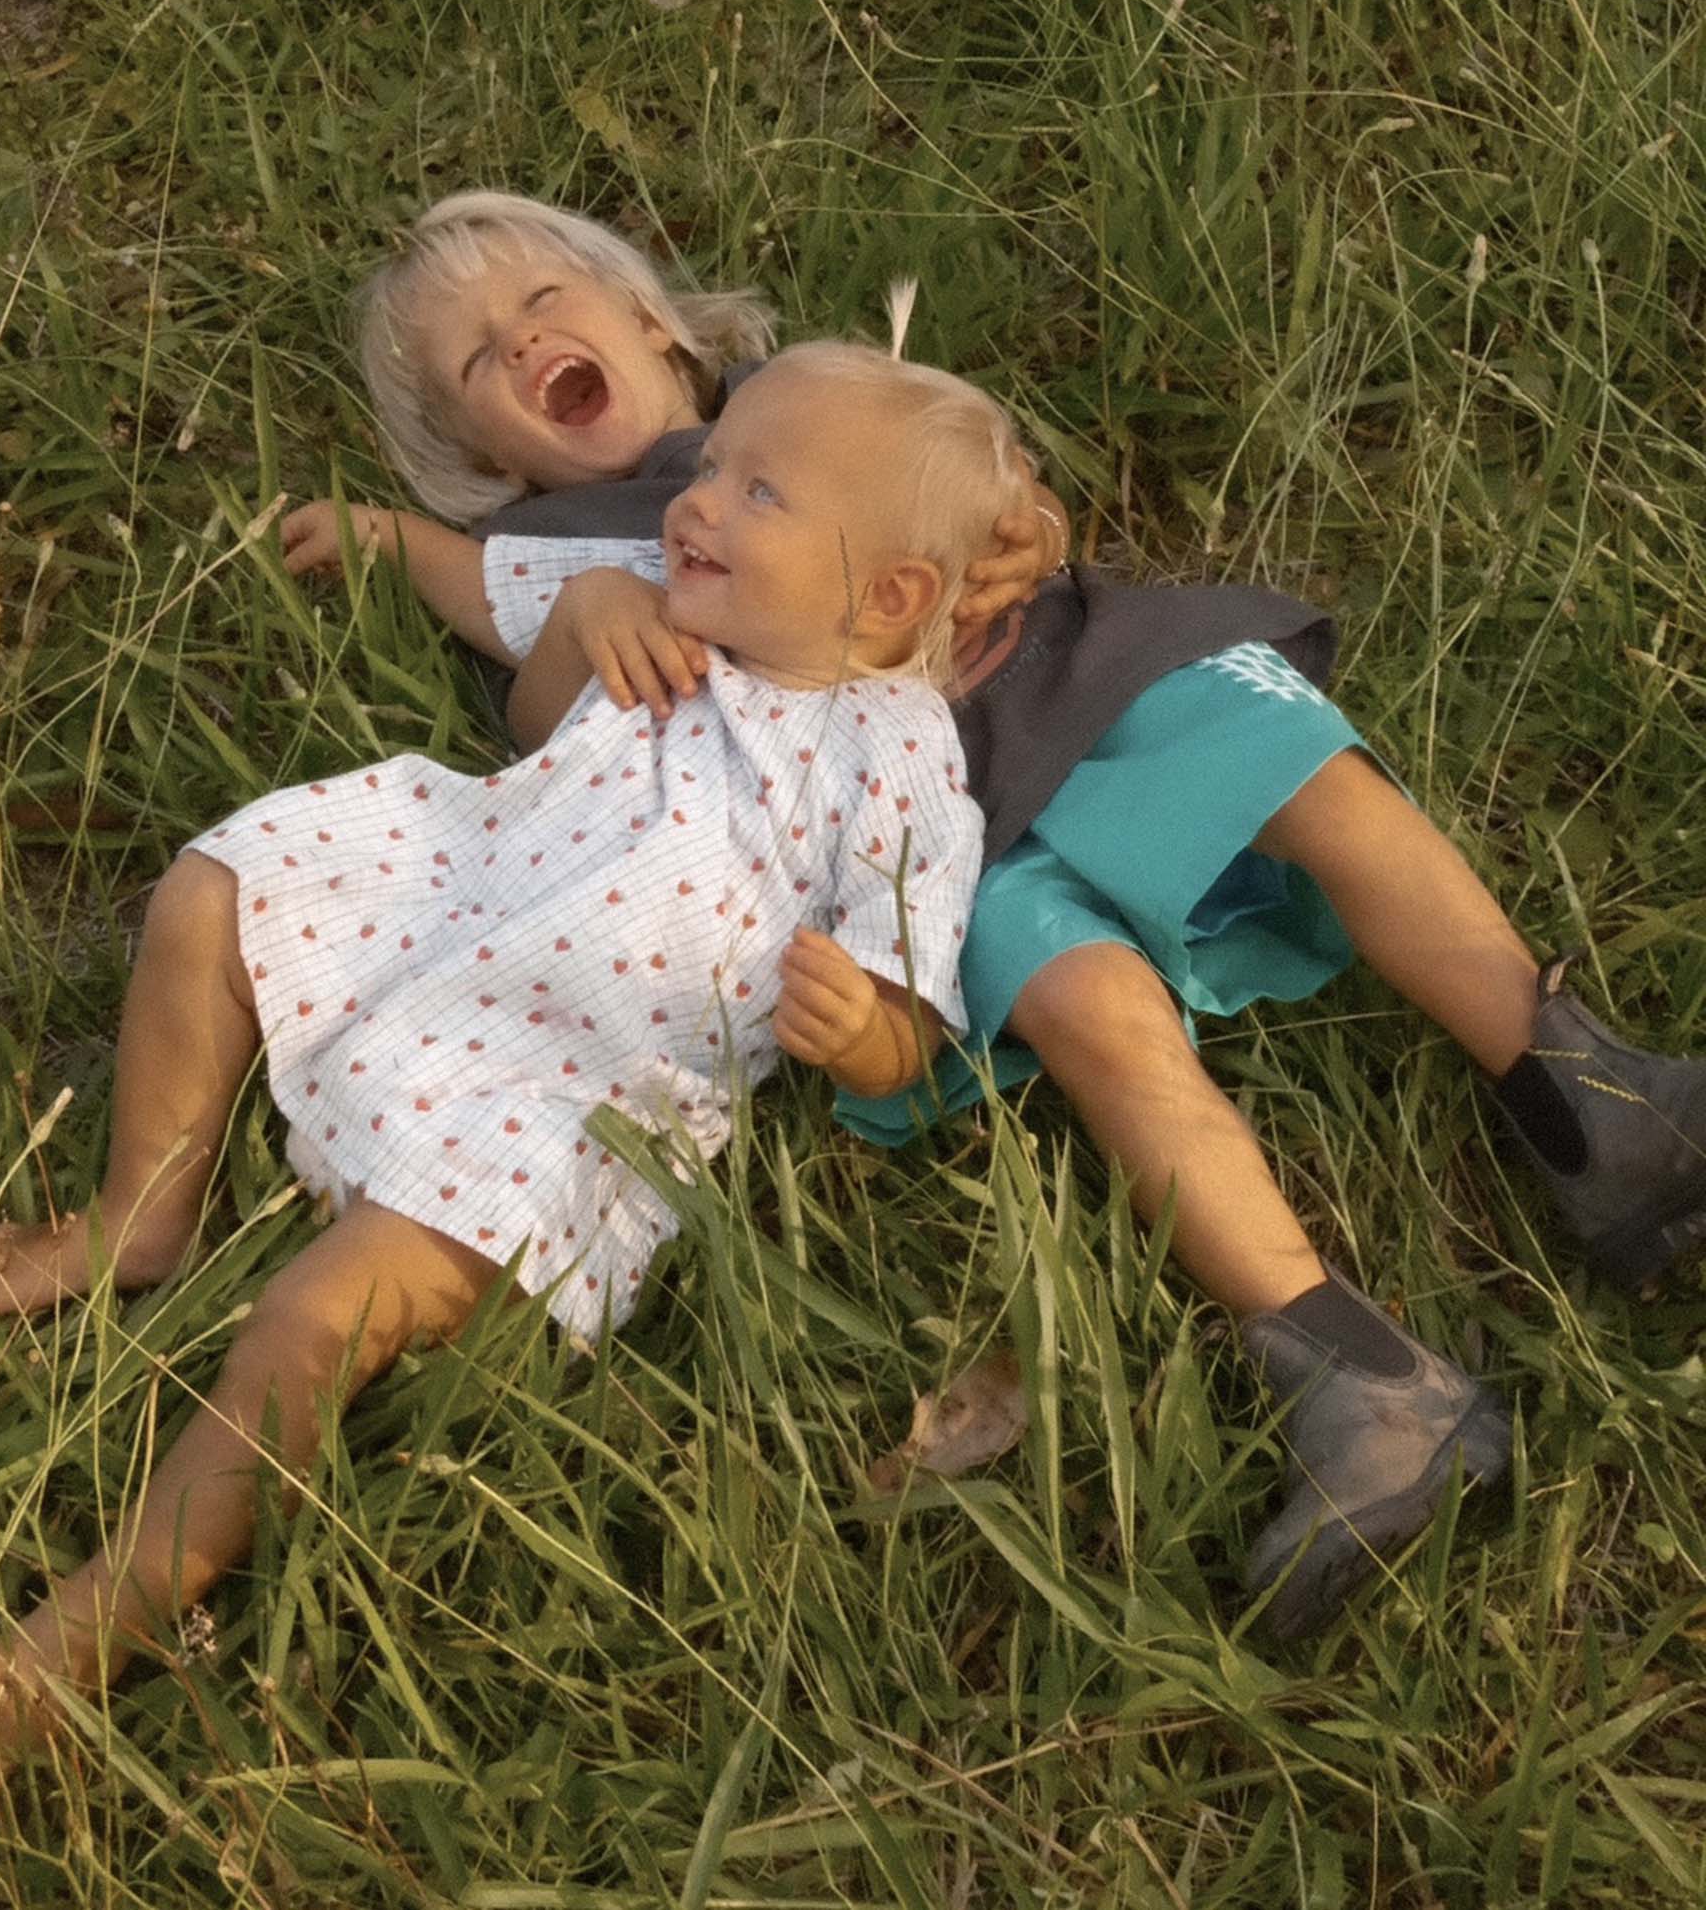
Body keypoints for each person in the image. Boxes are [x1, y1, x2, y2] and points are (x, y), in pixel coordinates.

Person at [287, 193, 1706, 1642]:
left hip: (1076, 675)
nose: (521, 340)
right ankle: (1360, 1381)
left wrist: (1029, 524)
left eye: (540, 296)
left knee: (1309, 782)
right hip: (932, 829)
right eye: (474, 362)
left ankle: (1598, 1101)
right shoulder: (586, 540)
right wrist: (413, 542)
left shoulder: (822, 393)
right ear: (485, 455)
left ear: (653, 320)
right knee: (1094, 1018)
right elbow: (488, 608)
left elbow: (984, 478)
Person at [0, 341, 1012, 1812]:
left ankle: (92, 1623)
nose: (698, 504)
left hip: (569, 1081)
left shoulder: (896, 756)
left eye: (757, 489)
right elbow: (534, 709)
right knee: (211, 890)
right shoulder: (663, 609)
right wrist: (583, 615)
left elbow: (913, 1001)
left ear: (893, 595)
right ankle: (141, 1207)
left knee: (310, 1317)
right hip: (445, 888)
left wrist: (861, 1029)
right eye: (711, 467)